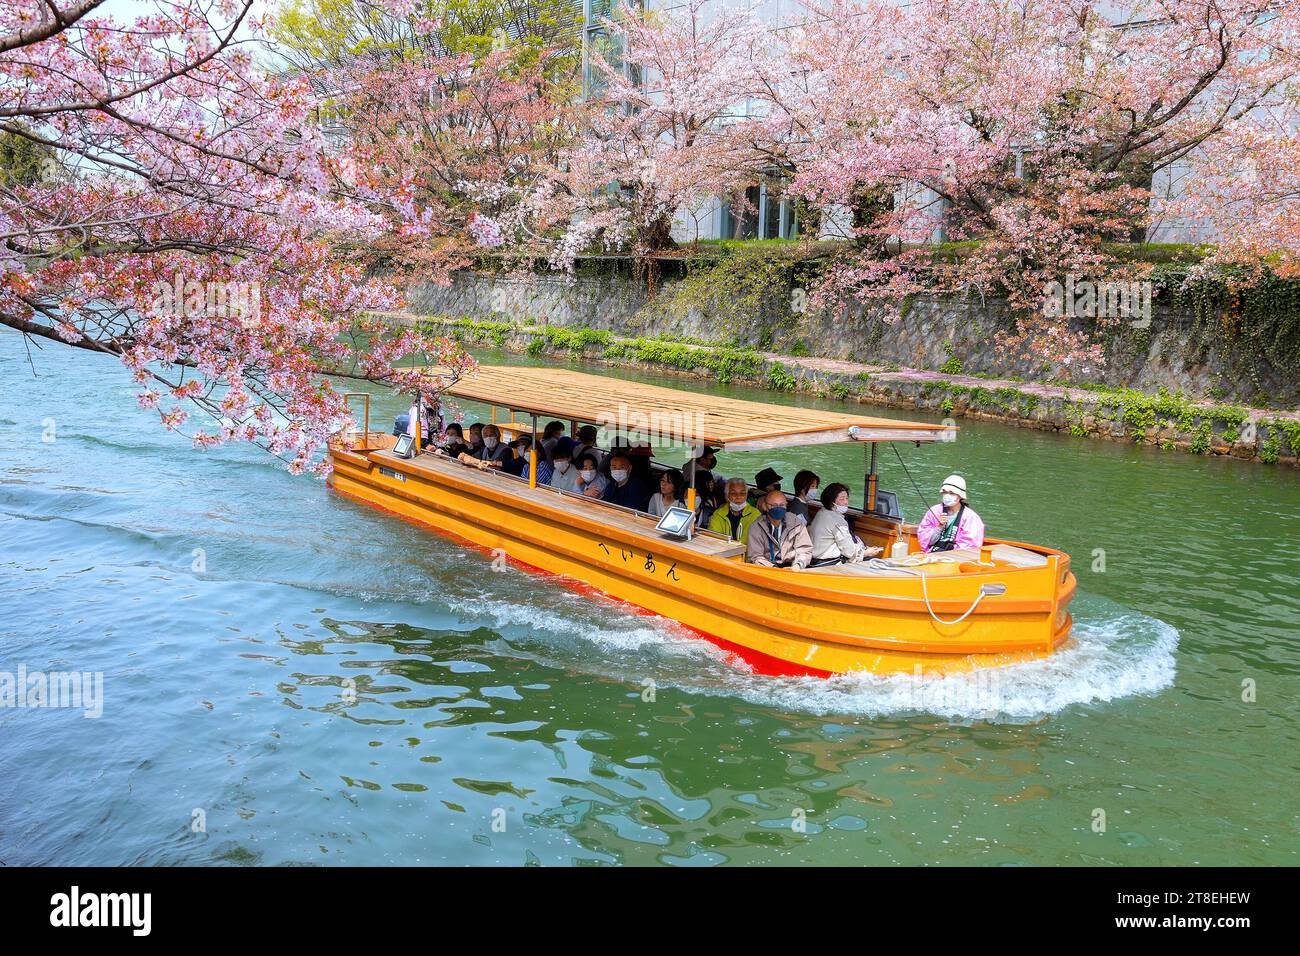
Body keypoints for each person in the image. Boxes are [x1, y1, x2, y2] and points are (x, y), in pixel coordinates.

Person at [808, 483, 882, 565]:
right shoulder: (837, 521)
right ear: (831, 501)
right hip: (828, 563)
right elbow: (849, 551)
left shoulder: (822, 512)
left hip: (813, 560)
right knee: (871, 561)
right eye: (842, 499)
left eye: (847, 498)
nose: (846, 502)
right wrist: (867, 552)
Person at [916, 474, 985, 552]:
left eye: (951, 493)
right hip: (932, 554)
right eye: (945, 492)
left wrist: (949, 556)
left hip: (955, 558)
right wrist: (939, 527)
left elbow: (970, 546)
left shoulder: (970, 517)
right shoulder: (934, 511)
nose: (947, 496)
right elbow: (924, 540)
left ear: (960, 495)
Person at [746, 490, 813, 570]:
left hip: (793, 567)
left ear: (786, 505)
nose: (778, 508)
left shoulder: (796, 523)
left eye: (782, 505)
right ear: (765, 506)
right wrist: (774, 569)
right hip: (767, 569)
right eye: (774, 505)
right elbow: (755, 556)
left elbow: (805, 549)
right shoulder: (756, 527)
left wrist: (798, 565)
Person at [707, 477, 761, 543]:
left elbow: (755, 542)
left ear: (746, 495)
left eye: (742, 493)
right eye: (733, 493)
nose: (738, 497)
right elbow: (713, 538)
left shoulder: (755, 515)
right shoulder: (718, 514)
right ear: (727, 496)